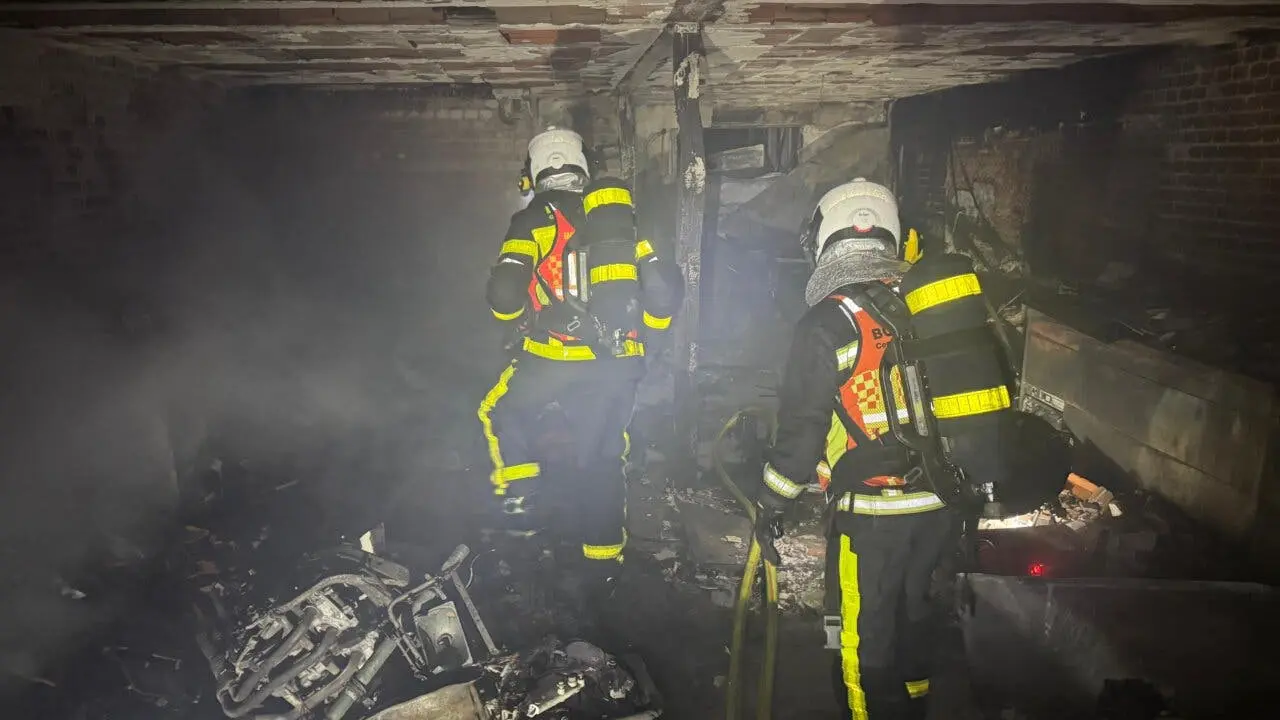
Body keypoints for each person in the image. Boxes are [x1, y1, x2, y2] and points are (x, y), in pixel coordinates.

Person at [754, 179, 958, 720]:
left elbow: (801, 433)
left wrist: (770, 505)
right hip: (941, 503)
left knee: (863, 648)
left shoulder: (829, 322)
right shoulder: (929, 306)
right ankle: (915, 709)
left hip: (872, 517)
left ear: (823, 241)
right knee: (914, 623)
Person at [477, 126, 683, 598]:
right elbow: (662, 298)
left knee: (499, 412)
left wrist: (520, 312)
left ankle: (523, 513)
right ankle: (603, 568)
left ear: (533, 175)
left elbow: (505, 301)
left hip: (548, 361)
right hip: (615, 366)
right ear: (582, 171)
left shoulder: (532, 221)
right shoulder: (623, 221)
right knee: (604, 460)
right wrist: (642, 336)